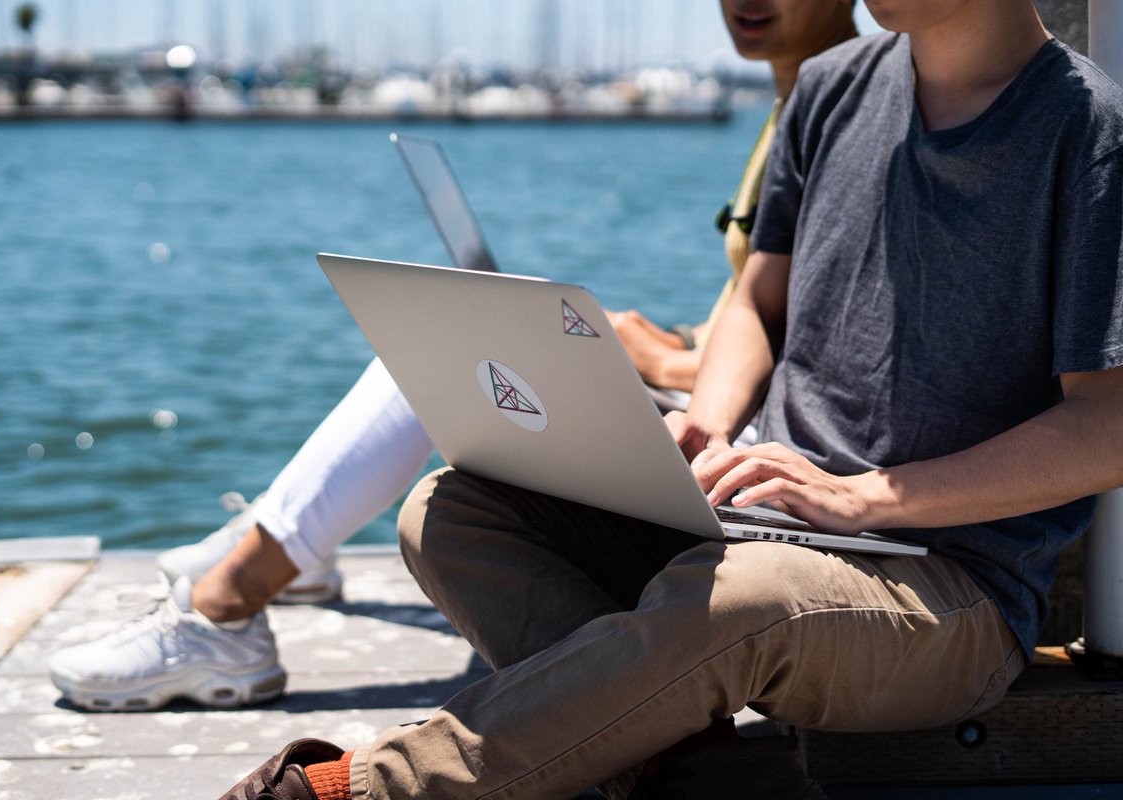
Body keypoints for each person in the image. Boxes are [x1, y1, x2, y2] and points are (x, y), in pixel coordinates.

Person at [219, 0, 1123, 798]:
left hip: (948, 591)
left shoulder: (1089, 131)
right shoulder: (831, 87)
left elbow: (1107, 425)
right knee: (453, 509)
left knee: (742, 600)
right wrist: (709, 424)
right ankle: (699, 770)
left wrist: (864, 499)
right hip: (759, 524)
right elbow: (756, 303)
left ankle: (345, 791)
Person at [47, 0, 861, 712]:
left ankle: (230, 605)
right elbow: (765, 307)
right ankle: (287, 541)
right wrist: (676, 343)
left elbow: (825, 341)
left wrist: (673, 366)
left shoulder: (845, 104)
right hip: (711, 385)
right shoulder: (792, 102)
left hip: (749, 435)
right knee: (462, 334)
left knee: (434, 367)